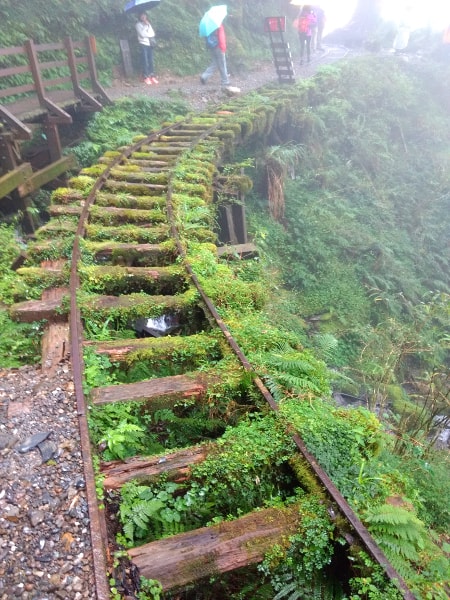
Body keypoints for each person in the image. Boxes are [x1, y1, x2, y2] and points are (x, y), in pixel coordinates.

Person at [200, 23, 230, 88]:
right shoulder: (219, 25)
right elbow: (221, 37)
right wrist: (223, 47)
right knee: (222, 64)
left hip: (212, 47)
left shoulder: (208, 26)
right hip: (219, 47)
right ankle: (225, 81)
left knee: (215, 63)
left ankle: (204, 76)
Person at [136, 12, 158, 85]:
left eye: (144, 15)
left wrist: (147, 26)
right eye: (142, 16)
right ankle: (146, 77)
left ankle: (152, 76)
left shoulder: (149, 24)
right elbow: (142, 35)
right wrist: (145, 26)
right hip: (143, 44)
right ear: (139, 17)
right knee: (145, 60)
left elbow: (153, 34)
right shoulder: (138, 25)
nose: (143, 17)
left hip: (150, 44)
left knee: (151, 60)